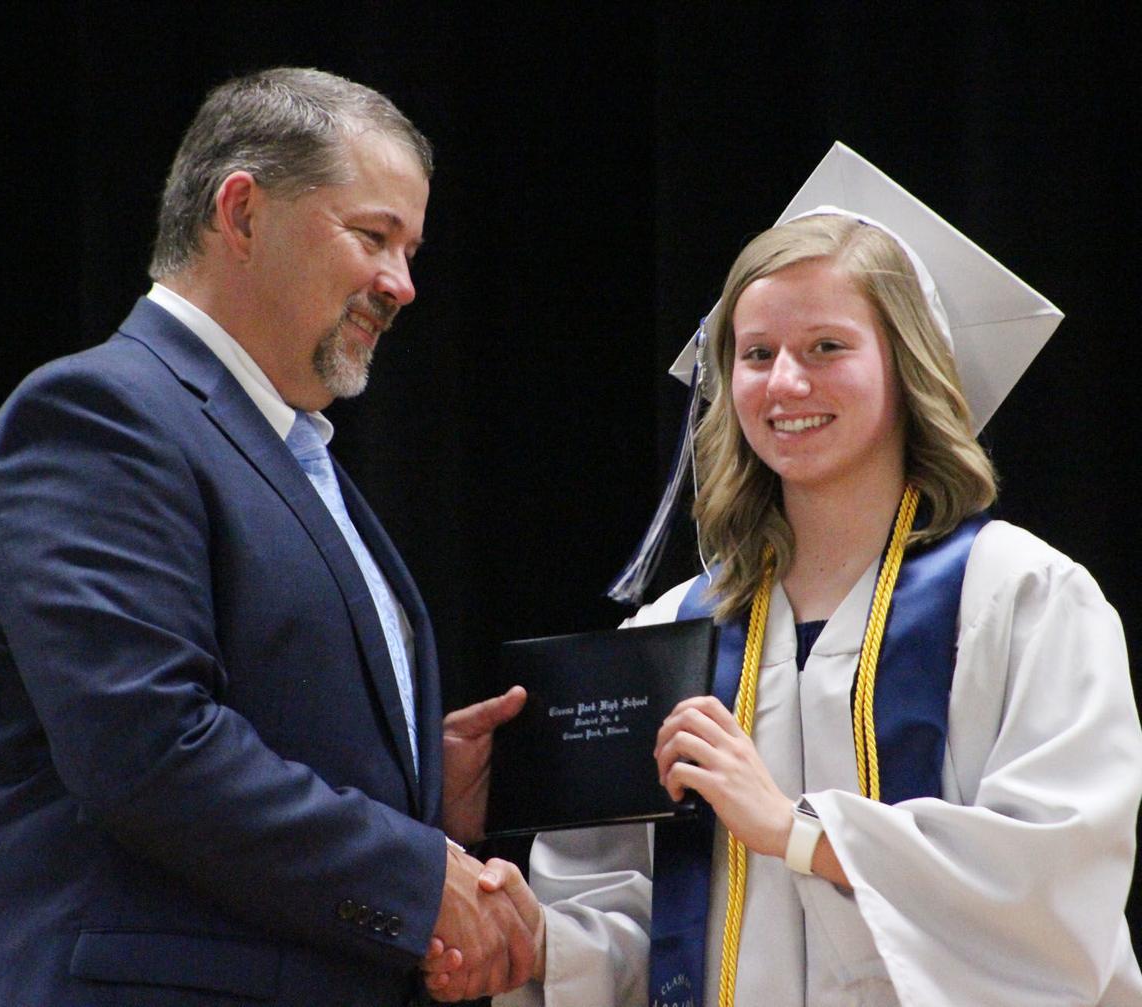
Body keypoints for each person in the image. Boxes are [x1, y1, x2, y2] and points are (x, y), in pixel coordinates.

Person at [483, 145, 1142, 1006]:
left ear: (908, 368)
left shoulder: (1023, 599)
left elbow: (1054, 883)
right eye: (756, 354)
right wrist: (521, 939)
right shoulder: (667, 633)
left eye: (827, 345)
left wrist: (796, 830)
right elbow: (622, 919)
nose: (786, 381)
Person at [0, 66, 537, 1006]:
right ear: (244, 213)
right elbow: (147, 750)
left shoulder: (292, 449)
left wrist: (421, 780)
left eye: (412, 249)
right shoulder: (100, 415)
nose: (405, 284)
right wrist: (415, 874)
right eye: (374, 236)